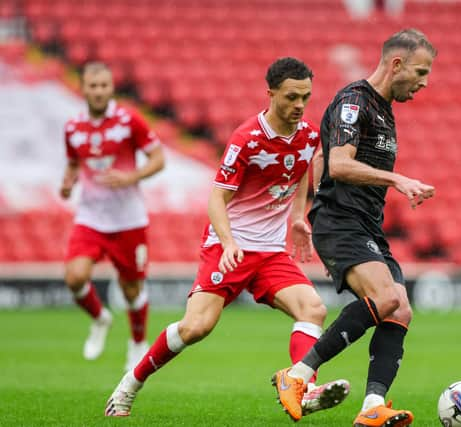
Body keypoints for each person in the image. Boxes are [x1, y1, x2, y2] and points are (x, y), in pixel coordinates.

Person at [105, 57, 349, 418]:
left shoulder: (309, 135)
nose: (299, 105)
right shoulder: (246, 139)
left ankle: (302, 387)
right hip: (228, 246)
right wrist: (229, 242)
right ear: (270, 94)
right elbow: (216, 198)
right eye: (291, 97)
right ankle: (130, 384)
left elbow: (300, 171)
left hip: (269, 252)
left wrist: (298, 217)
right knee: (196, 327)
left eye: (305, 97)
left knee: (313, 308)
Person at [272, 29, 437, 427]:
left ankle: (371, 408)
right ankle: (296, 376)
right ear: (396, 64)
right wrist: (396, 179)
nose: (424, 81)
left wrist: (299, 211)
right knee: (385, 298)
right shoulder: (354, 101)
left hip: (367, 226)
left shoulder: (383, 110)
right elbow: (339, 164)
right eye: (420, 71)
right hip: (340, 222)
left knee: (400, 309)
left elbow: (316, 155)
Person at [61, 62, 165, 370]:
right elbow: (72, 163)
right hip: (90, 218)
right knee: (75, 277)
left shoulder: (129, 120)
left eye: (104, 85)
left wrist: (131, 177)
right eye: (93, 86)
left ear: (111, 88)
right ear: (83, 88)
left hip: (128, 220)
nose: (98, 91)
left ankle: (137, 343)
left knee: (132, 289)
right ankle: (100, 318)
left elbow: (158, 159)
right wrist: (67, 182)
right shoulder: (73, 127)